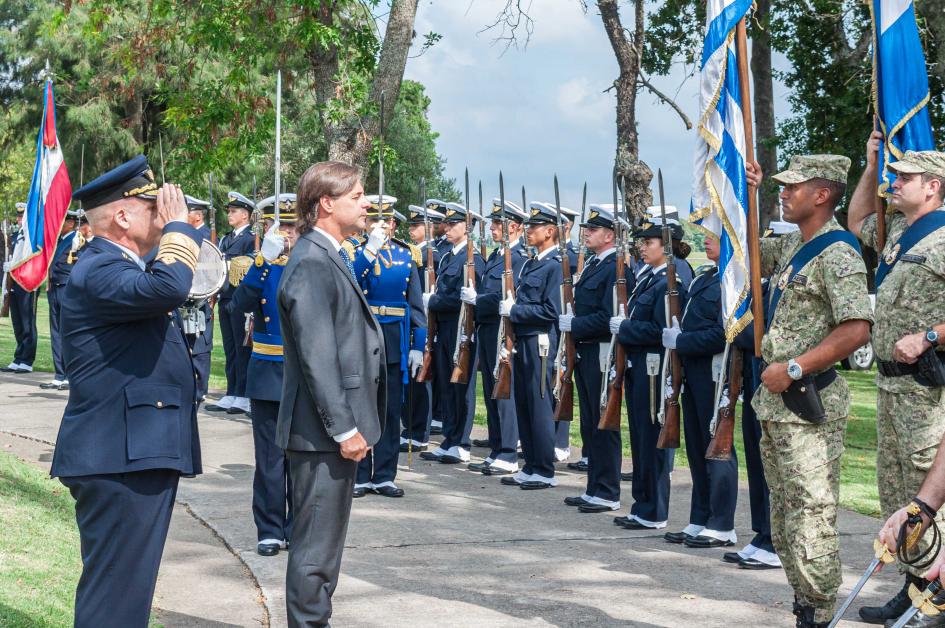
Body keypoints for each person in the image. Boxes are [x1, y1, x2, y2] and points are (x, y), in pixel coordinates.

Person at [50, 155, 202, 627]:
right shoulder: (99, 268)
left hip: (133, 451)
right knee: (115, 600)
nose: (164, 215)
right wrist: (181, 228)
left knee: (126, 597)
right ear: (122, 215)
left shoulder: (119, 264)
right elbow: (169, 289)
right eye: (153, 207)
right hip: (118, 456)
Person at [749, 155, 873, 628]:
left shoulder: (837, 252)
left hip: (807, 403)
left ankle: (820, 613)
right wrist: (751, 192)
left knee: (811, 520)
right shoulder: (796, 246)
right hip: (777, 404)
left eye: (792, 187)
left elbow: (858, 328)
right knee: (784, 521)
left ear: (822, 195)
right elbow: (741, 252)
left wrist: (796, 367)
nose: (785, 193)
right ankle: (804, 605)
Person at [277, 161, 384, 627]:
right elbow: (319, 358)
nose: (366, 205)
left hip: (326, 431)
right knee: (315, 551)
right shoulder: (313, 262)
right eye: (357, 196)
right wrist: (345, 428)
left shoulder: (327, 254)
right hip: (322, 433)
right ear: (326, 203)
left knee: (323, 547)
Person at [848, 141, 945, 624]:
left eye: (904, 177)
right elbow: (856, 220)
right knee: (897, 494)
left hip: (926, 390)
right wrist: (869, 167)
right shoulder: (901, 232)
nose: (894, 183)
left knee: (928, 492)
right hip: (890, 388)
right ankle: (913, 590)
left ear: (933, 187)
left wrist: (931, 335)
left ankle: (936, 595)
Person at [721, 223, 795, 571]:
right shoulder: (761, 287)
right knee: (756, 456)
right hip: (754, 378)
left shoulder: (784, 288)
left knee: (774, 466)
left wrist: (738, 330)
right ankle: (763, 533)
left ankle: (775, 538)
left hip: (776, 380)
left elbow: (754, 333)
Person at [229, 193, 299, 556]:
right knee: (270, 458)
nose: (286, 233)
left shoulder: (315, 261)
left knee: (301, 458)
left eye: (291, 225)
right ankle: (270, 528)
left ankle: (298, 528)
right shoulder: (260, 265)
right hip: (269, 370)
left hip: (305, 374)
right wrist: (262, 261)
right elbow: (238, 305)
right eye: (279, 225)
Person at [610, 218, 688, 530]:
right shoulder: (650, 279)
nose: (642, 247)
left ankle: (654, 510)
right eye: (642, 242)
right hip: (640, 368)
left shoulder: (669, 282)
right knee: (640, 438)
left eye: (649, 242)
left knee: (652, 439)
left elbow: (659, 331)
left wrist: (626, 328)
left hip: (654, 370)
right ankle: (641, 505)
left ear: (666, 247)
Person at [348, 194, 425, 498]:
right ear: (365, 224)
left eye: (384, 220)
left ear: (393, 223)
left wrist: (418, 345)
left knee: (391, 410)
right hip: (363, 336)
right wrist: (370, 249)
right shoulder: (354, 253)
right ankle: (361, 473)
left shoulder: (408, 256)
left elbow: (416, 306)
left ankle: (384, 475)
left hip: (394, 341)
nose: (379, 225)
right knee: (362, 408)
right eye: (372, 220)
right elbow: (350, 280)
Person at [662, 233, 736, 546]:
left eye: (714, 236)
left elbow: (724, 333)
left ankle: (722, 525)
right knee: (695, 447)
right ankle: (700, 517)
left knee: (717, 446)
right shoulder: (706, 278)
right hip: (692, 372)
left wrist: (682, 341)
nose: (706, 241)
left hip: (714, 374)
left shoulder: (732, 281)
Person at [495, 201, 563, 490]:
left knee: (539, 404)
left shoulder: (554, 267)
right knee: (523, 402)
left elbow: (551, 311)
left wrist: (515, 312)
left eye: (535, 227)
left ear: (550, 231)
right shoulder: (532, 264)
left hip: (540, 342)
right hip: (522, 341)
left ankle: (544, 469)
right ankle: (531, 465)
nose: (529, 231)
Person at [560, 206, 623, 512]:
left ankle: (608, 490)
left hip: (601, 350)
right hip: (585, 350)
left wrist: (575, 325)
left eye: (594, 229)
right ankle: (594, 487)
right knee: (589, 422)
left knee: (603, 421)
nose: (586, 232)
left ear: (609, 235)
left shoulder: (614, 267)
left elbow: (607, 317)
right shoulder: (594, 264)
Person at [461, 197, 528, 476]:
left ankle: (509, 452)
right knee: (491, 391)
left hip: (504, 331)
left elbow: (508, 296)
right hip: (486, 330)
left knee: (504, 390)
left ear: (514, 226)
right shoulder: (498, 256)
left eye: (498, 223)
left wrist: (479, 301)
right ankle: (497, 447)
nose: (492, 228)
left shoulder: (521, 258)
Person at [419, 202, 484, 464]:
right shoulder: (448, 257)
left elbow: (460, 300)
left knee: (461, 387)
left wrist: (430, 302)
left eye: (453, 224)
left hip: (461, 330)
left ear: (466, 228)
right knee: (446, 384)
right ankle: (449, 438)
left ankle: (462, 442)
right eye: (446, 223)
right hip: (444, 329)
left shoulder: (474, 260)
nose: (446, 228)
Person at [206, 191, 256, 415]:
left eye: (234, 211)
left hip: (240, 300)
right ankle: (232, 391)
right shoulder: (227, 238)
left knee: (241, 347)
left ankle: (244, 394)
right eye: (229, 211)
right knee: (229, 348)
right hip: (225, 296)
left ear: (245, 215)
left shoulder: (250, 239)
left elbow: (252, 266)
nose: (230, 215)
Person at [400, 204, 445, 452]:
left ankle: (420, 431)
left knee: (421, 377)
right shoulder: (414, 253)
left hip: (424, 323)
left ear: (428, 228)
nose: (411, 230)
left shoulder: (432, 255)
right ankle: (411, 427)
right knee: (412, 378)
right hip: (413, 321)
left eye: (416, 225)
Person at [181, 195, 215, 402]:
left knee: (200, 342)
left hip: (201, 296)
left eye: (188, 212)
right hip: (186, 295)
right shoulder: (188, 235)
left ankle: (200, 388)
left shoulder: (206, 237)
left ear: (197, 215)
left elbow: (211, 271)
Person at [41, 209, 79, 389]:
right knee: (55, 332)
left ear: (71, 223)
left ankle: (70, 375)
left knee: (68, 331)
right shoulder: (59, 241)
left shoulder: (76, 240)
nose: (59, 225)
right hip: (54, 288)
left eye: (62, 221)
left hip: (67, 289)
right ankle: (59, 374)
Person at [2, 202, 38, 373]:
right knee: (17, 321)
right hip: (14, 282)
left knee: (27, 321)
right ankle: (18, 357)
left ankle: (27, 360)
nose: (19, 219)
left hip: (28, 282)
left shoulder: (33, 238)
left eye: (22, 216)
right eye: (18, 216)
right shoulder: (17, 236)